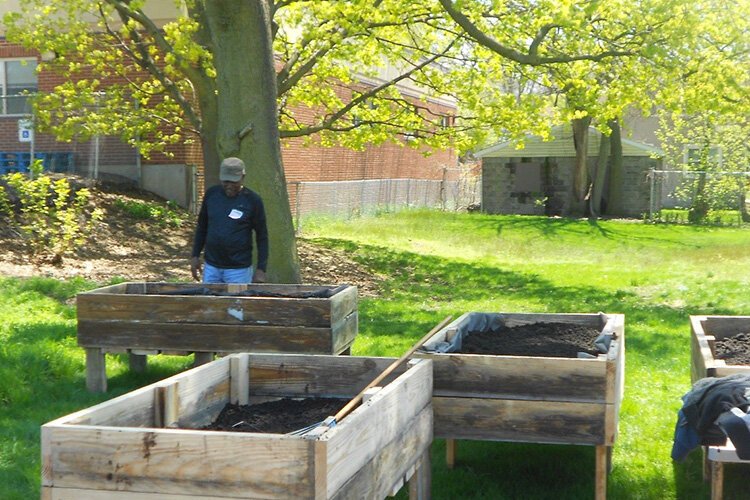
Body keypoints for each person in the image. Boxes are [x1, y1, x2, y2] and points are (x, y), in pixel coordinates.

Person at [190, 157, 268, 283]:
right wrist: (195, 255)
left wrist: (261, 269)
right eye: (226, 181)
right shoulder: (211, 195)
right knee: (210, 302)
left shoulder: (253, 201)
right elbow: (202, 227)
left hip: (239, 270)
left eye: (234, 182)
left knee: (237, 302)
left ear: (243, 177)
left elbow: (262, 236)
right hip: (212, 267)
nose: (229, 186)